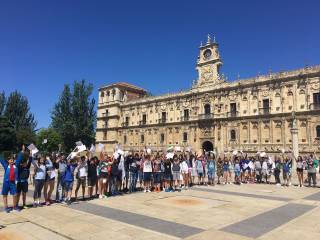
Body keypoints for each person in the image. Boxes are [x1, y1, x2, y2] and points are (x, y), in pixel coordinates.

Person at [0, 145, 24, 213]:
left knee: (15, 194)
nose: (12, 161)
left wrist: (22, 151)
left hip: (13, 183)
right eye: (10, 160)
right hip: (6, 182)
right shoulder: (6, 166)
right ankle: (6, 207)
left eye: (12, 160)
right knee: (5, 195)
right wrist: (1, 153)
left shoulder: (15, 165)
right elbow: (1, 160)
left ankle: (15, 206)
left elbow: (19, 159)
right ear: (8, 161)